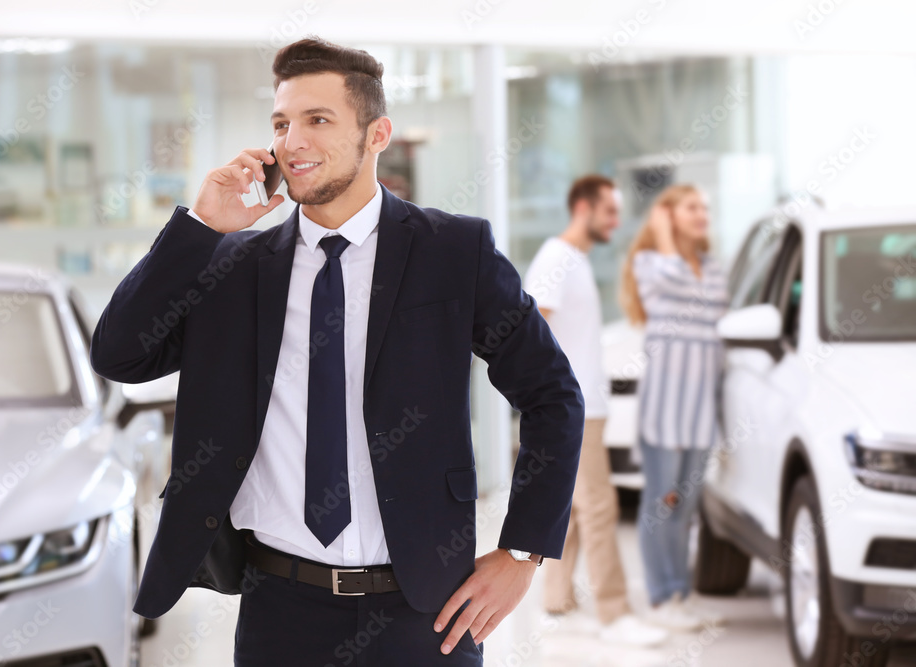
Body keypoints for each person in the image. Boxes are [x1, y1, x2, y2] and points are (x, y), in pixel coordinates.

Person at [89, 37, 585, 666]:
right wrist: (199, 228)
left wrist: (522, 552)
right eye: (281, 123)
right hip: (279, 611)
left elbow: (553, 396)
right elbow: (119, 355)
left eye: (317, 120)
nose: (292, 141)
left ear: (377, 135)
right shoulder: (233, 268)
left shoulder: (454, 253)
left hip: (426, 611)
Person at [523, 175, 667, 647]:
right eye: (610, 211)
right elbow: (532, 331)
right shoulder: (556, 260)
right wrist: (551, 403)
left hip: (587, 405)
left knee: (579, 510)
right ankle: (614, 612)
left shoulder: (576, 260)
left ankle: (557, 597)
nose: (616, 220)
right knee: (600, 508)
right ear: (584, 208)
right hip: (574, 409)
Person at [619, 184, 729, 631]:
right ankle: (662, 598)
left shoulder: (714, 269)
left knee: (685, 509)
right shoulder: (650, 262)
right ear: (667, 215)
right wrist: (663, 237)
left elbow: (703, 299)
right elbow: (670, 280)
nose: (702, 213)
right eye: (691, 207)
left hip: (703, 412)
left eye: (705, 206)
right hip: (665, 410)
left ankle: (682, 592)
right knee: (659, 505)